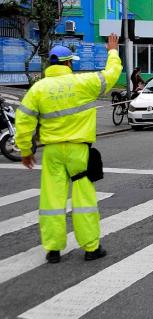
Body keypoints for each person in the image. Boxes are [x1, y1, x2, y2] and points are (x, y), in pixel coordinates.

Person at [15, 33, 123, 263]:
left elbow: (23, 121)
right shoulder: (83, 82)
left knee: (51, 201)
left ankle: (53, 249)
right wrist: (112, 51)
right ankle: (91, 248)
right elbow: (112, 75)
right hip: (78, 151)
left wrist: (25, 151)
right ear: (68, 63)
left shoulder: (38, 89)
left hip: (52, 152)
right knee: (84, 199)